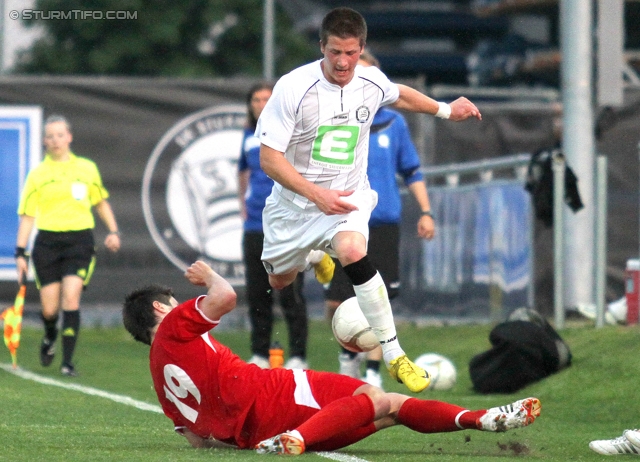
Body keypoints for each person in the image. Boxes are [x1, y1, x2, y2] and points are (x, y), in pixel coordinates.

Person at [256, 7, 481, 393]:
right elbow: (269, 159)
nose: (343, 62)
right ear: (321, 47)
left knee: (353, 249)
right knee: (279, 280)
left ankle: (394, 355)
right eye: (335, 53)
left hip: (348, 195)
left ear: (362, 48)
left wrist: (446, 109)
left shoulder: (370, 80)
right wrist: (315, 194)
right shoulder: (293, 88)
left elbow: (400, 95)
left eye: (351, 53)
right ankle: (314, 257)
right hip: (294, 206)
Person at [122, 259, 541, 455]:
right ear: (162, 310)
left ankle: (481, 419)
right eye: (174, 301)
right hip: (271, 392)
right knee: (375, 397)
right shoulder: (176, 324)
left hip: (251, 432)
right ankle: (300, 439)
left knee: (389, 411)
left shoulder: (158, 374)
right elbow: (226, 297)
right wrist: (209, 275)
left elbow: (194, 437)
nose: (180, 305)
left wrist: (235, 444)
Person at [325, 50, 436, 389]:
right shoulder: (334, 117)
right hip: (343, 217)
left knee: (379, 296)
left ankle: (374, 372)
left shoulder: (395, 123)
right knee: (336, 299)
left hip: (383, 219)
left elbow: (411, 169)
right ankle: (347, 359)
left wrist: (426, 211)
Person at [15, 114, 121, 377]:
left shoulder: (86, 168)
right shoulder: (38, 174)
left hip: (79, 241)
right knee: (50, 310)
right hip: (47, 243)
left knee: (71, 297)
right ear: (44, 141)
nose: (55, 140)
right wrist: (20, 252)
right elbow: (28, 216)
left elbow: (100, 202)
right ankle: (50, 334)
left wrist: (113, 231)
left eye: (60, 135)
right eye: (50, 136)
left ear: (69, 137)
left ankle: (67, 362)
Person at [238, 83, 309, 370]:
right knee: (257, 292)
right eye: (256, 99)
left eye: (267, 98)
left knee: (291, 293)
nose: (261, 103)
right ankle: (259, 353)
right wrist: (242, 204)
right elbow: (243, 172)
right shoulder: (247, 135)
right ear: (250, 104)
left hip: (287, 221)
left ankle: (298, 356)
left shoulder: (290, 130)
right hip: (255, 223)